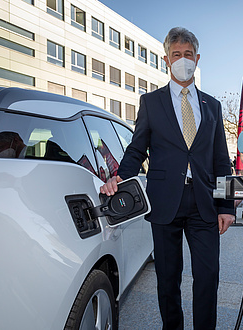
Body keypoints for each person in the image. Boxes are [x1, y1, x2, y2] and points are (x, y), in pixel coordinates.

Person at [100, 27, 234, 329]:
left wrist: (226, 206)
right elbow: (137, 148)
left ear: (197, 59)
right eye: (177, 55)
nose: (182, 60)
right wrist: (120, 177)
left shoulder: (212, 106)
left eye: (188, 55)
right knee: (168, 279)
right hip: (164, 204)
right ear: (166, 60)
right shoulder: (151, 102)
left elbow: (221, 160)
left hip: (204, 203)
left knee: (208, 276)